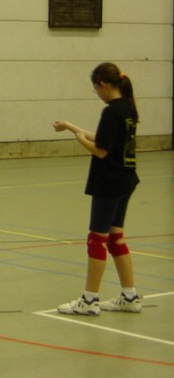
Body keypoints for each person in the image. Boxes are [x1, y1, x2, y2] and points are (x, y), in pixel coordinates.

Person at [53, 63, 142, 315]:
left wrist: (79, 140)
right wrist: (72, 126)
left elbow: (101, 150)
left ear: (102, 84)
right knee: (115, 238)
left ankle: (89, 300)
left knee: (96, 239)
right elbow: (105, 138)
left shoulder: (112, 112)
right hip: (125, 180)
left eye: (96, 90)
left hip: (109, 183)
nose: (98, 94)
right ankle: (129, 295)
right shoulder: (127, 108)